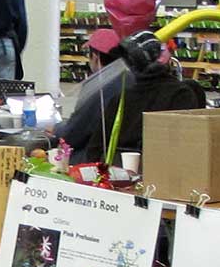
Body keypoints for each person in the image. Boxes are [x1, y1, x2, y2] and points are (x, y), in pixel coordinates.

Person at [54, 31, 205, 166]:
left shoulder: (120, 97)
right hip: (163, 174)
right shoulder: (182, 94)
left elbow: (91, 145)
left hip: (116, 174)